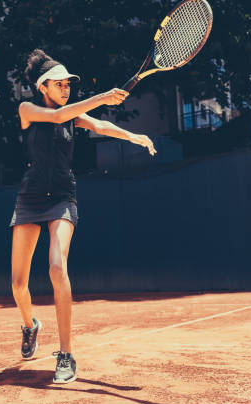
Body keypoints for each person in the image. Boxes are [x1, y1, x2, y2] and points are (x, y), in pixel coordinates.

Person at [10, 48, 156, 384]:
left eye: (68, 84)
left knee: (57, 266)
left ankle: (65, 354)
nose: (66, 89)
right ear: (42, 87)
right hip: (29, 198)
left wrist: (133, 135)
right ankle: (30, 326)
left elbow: (101, 124)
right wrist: (104, 95)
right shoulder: (28, 110)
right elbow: (60, 117)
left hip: (62, 197)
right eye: (59, 84)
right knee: (18, 285)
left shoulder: (73, 115)